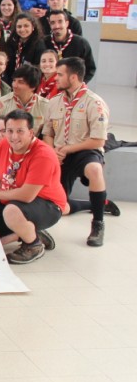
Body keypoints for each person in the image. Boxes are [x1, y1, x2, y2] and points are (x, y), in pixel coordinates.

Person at [41, 57, 120, 247]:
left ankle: (98, 224)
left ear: (74, 77)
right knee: (62, 206)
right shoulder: (54, 101)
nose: (55, 78)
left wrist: (68, 148)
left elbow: (98, 140)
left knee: (94, 169)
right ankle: (99, 204)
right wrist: (53, 152)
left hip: (84, 150)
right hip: (60, 154)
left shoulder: (94, 103)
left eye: (60, 74)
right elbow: (47, 132)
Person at [0, 109, 67, 263]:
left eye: (20, 131)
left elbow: (26, 195)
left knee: (12, 211)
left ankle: (33, 244)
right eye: (10, 131)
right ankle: (28, 232)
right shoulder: (4, 145)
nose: (14, 137)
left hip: (46, 204)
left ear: (31, 133)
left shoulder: (43, 154)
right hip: (11, 199)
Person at [46, 10, 96, 82]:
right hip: (49, 87)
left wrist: (78, 85)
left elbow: (90, 68)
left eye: (60, 21)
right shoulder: (44, 42)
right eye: (53, 23)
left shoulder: (81, 43)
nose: (56, 26)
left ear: (67, 23)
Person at [0, 65, 50, 134]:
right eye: (14, 80)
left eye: (20, 82)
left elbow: (48, 133)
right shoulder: (2, 103)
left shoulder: (45, 106)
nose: (14, 85)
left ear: (33, 87)